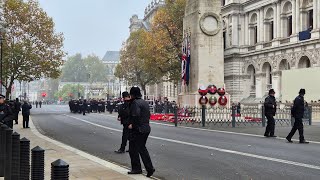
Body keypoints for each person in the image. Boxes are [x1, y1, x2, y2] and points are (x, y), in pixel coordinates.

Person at [127, 86, 155, 177]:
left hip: (138, 129)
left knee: (135, 149)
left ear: (132, 94)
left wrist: (132, 125)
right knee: (140, 148)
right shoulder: (144, 102)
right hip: (146, 127)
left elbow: (136, 115)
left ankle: (143, 168)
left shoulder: (135, 103)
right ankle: (143, 168)